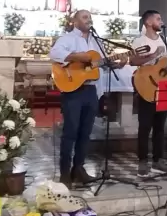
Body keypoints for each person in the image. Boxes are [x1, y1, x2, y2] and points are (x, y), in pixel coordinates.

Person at [50, 10, 125, 186]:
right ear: (75, 21)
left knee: (86, 133)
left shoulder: (96, 41)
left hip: (91, 91)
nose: (88, 20)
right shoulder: (67, 38)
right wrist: (80, 56)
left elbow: (100, 65)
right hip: (73, 90)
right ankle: (65, 172)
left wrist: (116, 63)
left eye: (90, 17)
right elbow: (55, 54)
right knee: (70, 132)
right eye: (84, 17)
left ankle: (79, 169)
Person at [129, 10, 167, 177]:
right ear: (148, 22)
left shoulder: (166, 40)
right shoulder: (140, 41)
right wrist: (153, 55)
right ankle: (142, 161)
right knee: (145, 126)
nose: (161, 21)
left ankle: (158, 160)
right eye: (158, 18)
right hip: (146, 87)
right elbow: (133, 61)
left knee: (160, 128)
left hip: (163, 87)